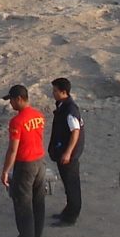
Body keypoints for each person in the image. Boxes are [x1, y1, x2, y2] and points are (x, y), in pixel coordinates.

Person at [1, 84, 48, 237]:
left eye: (12, 101)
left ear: (19, 99)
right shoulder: (39, 115)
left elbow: (13, 149)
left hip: (25, 164)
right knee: (38, 200)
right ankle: (37, 233)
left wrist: (6, 171)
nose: (11, 104)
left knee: (23, 203)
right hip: (39, 162)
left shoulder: (16, 121)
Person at [48, 77, 85, 227]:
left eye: (55, 91)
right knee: (68, 184)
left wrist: (68, 153)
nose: (53, 93)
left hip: (68, 155)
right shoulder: (64, 106)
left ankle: (71, 216)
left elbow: (75, 131)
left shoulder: (69, 110)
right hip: (64, 152)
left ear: (64, 92)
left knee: (72, 185)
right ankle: (68, 210)